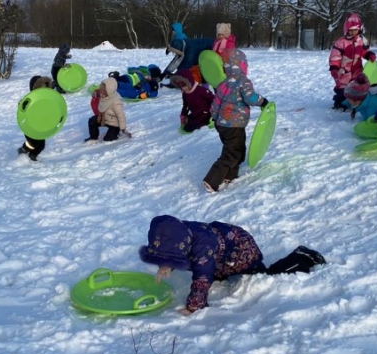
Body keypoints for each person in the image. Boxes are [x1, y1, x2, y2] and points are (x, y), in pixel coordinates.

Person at [138, 215, 326, 315]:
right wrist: (167, 265)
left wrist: (194, 307)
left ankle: (303, 257)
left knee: (265, 276)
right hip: (224, 246)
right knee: (209, 263)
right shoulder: (180, 232)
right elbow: (173, 251)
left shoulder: (203, 247)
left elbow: (203, 277)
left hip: (241, 251)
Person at [203, 49, 268, 193]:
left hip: (222, 124)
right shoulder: (243, 82)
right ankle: (211, 180)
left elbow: (216, 103)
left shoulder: (222, 83)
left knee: (235, 148)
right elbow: (250, 97)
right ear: (243, 66)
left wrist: (214, 116)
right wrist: (262, 102)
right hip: (235, 125)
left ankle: (230, 175)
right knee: (232, 153)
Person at [328, 13, 376, 110]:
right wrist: (334, 67)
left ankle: (356, 101)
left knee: (357, 87)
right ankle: (339, 103)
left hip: (357, 69)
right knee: (342, 88)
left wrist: (369, 55)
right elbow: (335, 57)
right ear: (346, 30)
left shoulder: (362, 40)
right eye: (351, 30)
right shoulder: (341, 42)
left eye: (355, 30)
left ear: (359, 29)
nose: (353, 32)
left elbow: (364, 51)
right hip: (343, 71)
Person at [84, 77, 131, 144]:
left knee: (107, 140)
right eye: (100, 91)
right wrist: (96, 94)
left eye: (103, 92)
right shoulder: (105, 96)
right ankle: (93, 137)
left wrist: (123, 128)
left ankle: (116, 133)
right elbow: (100, 95)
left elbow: (121, 116)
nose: (101, 94)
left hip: (114, 123)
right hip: (104, 119)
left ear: (109, 91)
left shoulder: (116, 103)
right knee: (92, 121)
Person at [17, 75, 53, 161]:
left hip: (41, 126)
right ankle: (24, 149)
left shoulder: (48, 99)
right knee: (33, 143)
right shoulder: (29, 100)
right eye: (40, 88)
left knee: (41, 146)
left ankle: (33, 155)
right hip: (30, 126)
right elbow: (22, 109)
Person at [170, 68, 215, 133]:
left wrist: (212, 109)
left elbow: (212, 98)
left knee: (193, 126)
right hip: (196, 114)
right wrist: (183, 115)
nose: (182, 88)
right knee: (187, 126)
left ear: (189, 81)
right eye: (179, 86)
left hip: (206, 114)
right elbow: (185, 105)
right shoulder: (185, 94)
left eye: (183, 84)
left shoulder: (200, 90)